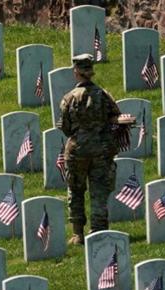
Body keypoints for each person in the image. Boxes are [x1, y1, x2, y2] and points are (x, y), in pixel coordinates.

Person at [57, 53, 121, 245]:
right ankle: (98, 230)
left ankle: (78, 233)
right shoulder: (104, 95)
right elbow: (116, 117)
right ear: (91, 71)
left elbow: (66, 127)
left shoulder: (69, 98)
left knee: (75, 189)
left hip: (78, 150)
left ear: (76, 71)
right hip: (102, 148)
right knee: (99, 189)